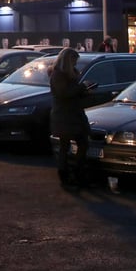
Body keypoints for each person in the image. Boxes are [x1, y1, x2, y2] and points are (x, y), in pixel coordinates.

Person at [49, 48, 93, 190]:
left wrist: (84, 91)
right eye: (74, 61)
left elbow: (70, 93)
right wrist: (81, 88)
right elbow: (64, 94)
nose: (75, 64)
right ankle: (69, 174)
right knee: (67, 145)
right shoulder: (58, 75)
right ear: (68, 60)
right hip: (65, 115)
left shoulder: (69, 73)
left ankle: (75, 173)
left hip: (73, 113)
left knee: (79, 143)